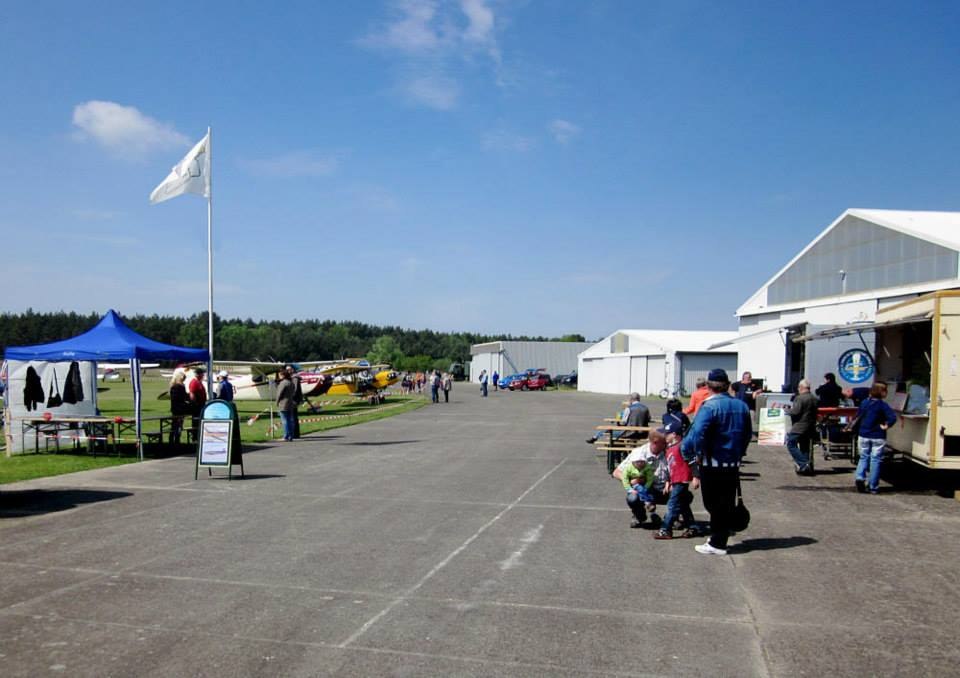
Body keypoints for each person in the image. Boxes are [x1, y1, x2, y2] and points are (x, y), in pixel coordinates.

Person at [681, 368, 752, 556]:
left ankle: (718, 542)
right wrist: (739, 453)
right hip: (732, 463)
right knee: (727, 501)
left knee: (713, 504)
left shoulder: (709, 406)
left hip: (712, 462)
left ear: (709, 387)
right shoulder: (741, 406)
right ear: (727, 385)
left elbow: (697, 433)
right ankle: (720, 534)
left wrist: (689, 452)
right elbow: (747, 434)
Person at [655, 421, 700, 540]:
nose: (664, 436)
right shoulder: (669, 448)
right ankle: (692, 527)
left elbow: (692, 462)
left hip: (682, 480)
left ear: (674, 434)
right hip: (675, 480)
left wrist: (696, 476)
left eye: (666, 434)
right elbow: (671, 467)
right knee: (683, 504)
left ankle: (666, 529)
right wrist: (668, 482)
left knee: (672, 504)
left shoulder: (682, 446)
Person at [853, 382, 898, 494]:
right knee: (876, 460)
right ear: (882, 392)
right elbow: (892, 417)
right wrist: (886, 425)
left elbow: (858, 416)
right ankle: (873, 486)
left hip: (863, 433)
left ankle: (860, 477)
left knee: (863, 457)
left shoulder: (864, 403)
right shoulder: (882, 405)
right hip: (877, 435)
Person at [786, 379, 818, 475]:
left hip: (799, 426)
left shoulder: (800, 398)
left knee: (791, 444)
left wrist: (786, 410)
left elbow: (796, 411)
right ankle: (807, 467)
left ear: (801, 387)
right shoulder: (814, 398)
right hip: (810, 425)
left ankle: (804, 464)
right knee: (805, 446)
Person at [621, 456, 656, 528]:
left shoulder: (647, 467)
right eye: (638, 462)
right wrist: (629, 489)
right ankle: (646, 506)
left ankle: (650, 512)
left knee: (644, 490)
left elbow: (650, 478)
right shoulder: (629, 468)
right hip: (634, 487)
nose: (640, 464)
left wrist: (646, 487)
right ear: (633, 462)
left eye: (642, 462)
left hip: (646, 486)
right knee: (635, 494)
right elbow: (624, 479)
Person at [168, 370, 191, 445]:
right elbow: (181, 398)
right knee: (178, 425)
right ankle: (176, 440)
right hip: (179, 409)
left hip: (176, 409)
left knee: (175, 426)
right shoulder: (179, 387)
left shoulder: (174, 386)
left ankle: (173, 440)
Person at [276, 370, 297, 441]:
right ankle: (291, 435)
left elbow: (279, 394)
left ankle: (286, 436)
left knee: (285, 421)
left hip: (283, 403)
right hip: (290, 403)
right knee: (290, 420)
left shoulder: (283, 383)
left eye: (280, 375)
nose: (279, 376)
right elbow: (294, 392)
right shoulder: (291, 383)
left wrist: (277, 402)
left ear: (283, 375)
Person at [188, 367, 207, 439]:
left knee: (200, 421)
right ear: (199, 374)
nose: (203, 375)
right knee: (196, 422)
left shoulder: (199, 382)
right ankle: (195, 437)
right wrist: (195, 404)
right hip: (197, 406)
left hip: (201, 405)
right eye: (202, 374)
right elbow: (192, 394)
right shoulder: (194, 382)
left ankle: (199, 436)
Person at [286, 365, 303, 438]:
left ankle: (295, 434)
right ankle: (295, 433)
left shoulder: (295, 378)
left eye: (290, 369)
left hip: (293, 400)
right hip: (294, 399)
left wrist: (290, 397)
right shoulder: (292, 378)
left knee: (293, 417)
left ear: (293, 369)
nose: (288, 371)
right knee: (293, 416)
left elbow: (295, 390)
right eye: (287, 370)